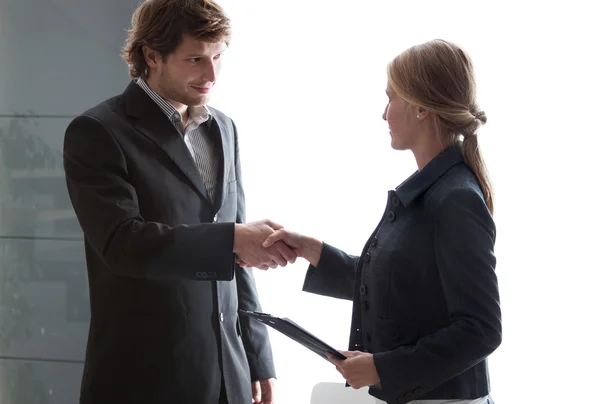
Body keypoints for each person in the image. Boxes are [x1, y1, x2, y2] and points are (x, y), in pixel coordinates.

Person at [62, 1, 295, 403]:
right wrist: (231, 239)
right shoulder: (98, 132)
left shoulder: (224, 128)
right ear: (152, 55)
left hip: (230, 374)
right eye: (195, 59)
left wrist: (257, 356)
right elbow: (122, 244)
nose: (211, 74)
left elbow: (235, 259)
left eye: (218, 56)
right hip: (144, 378)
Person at [260, 39, 502, 404]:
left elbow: (481, 330)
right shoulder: (432, 191)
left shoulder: (456, 200)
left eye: (391, 98)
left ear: (421, 108)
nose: (384, 113)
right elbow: (398, 286)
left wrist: (383, 368)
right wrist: (313, 250)